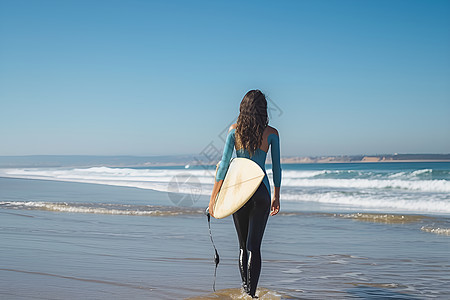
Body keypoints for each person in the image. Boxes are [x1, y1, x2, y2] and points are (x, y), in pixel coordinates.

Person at [208, 89, 282, 298]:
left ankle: (244, 291)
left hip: (238, 191)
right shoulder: (272, 133)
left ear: (243, 109)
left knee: (242, 247)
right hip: (261, 191)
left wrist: (214, 199)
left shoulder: (234, 131)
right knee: (254, 247)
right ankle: (251, 294)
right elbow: (277, 168)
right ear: (263, 110)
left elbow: (223, 166)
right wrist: (276, 195)